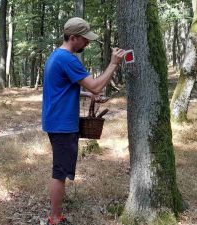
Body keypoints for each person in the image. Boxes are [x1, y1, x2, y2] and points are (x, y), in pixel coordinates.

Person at [41, 17, 126, 225]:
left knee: (60, 170)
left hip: (56, 121)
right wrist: (113, 64)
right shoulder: (67, 59)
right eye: (84, 39)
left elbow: (64, 88)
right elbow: (96, 85)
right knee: (59, 172)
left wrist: (89, 96)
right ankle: (54, 218)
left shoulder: (56, 56)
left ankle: (55, 214)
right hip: (62, 124)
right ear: (73, 38)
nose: (87, 43)